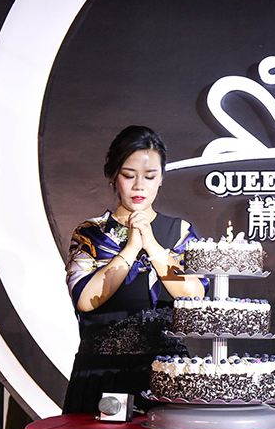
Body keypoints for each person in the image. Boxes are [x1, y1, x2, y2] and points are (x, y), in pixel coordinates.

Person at [63, 125, 207, 414]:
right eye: (129, 176)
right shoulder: (91, 234)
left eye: (150, 176)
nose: (140, 185)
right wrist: (130, 248)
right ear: (112, 176)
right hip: (102, 372)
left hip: (166, 373)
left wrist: (151, 245)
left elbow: (194, 296)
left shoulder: (179, 232)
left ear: (161, 178)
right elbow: (85, 299)